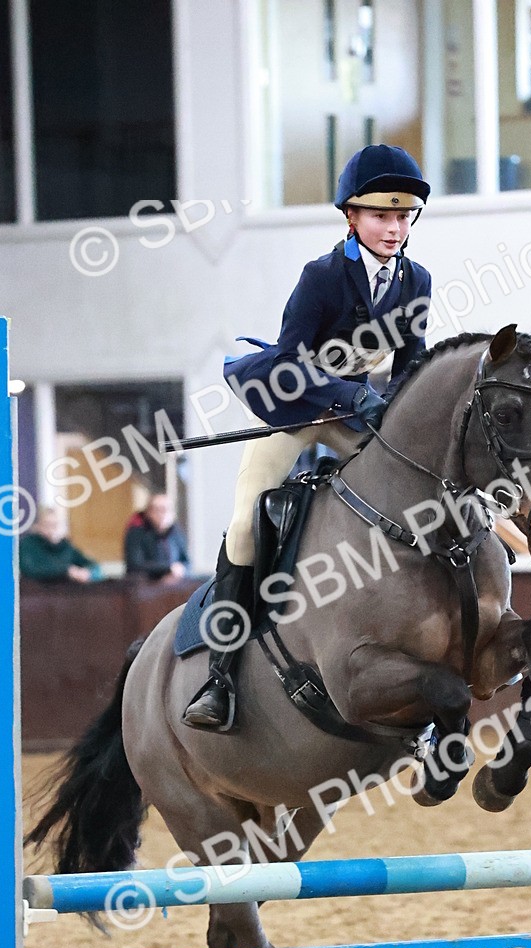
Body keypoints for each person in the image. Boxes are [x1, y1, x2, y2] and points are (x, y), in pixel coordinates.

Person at [183, 143, 432, 731]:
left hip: (355, 417)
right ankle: (220, 677)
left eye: (403, 217)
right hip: (295, 410)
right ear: (351, 216)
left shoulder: (416, 280)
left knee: (418, 492)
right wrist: (351, 395)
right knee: (246, 523)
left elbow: (411, 362)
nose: (394, 228)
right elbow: (291, 360)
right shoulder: (321, 276)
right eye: (381, 215)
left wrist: (398, 411)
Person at [19, 506, 102, 583]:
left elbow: (91, 564)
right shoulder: (27, 544)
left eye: (54, 525)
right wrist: (66, 571)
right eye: (47, 525)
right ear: (37, 526)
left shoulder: (64, 545)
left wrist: (86, 572)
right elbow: (30, 569)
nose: (51, 530)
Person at [124, 493, 189, 580]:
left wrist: (180, 570)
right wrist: (168, 569)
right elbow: (135, 565)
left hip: (175, 582)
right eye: (158, 510)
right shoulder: (136, 533)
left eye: (166, 509)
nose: (163, 514)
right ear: (149, 513)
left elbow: (186, 561)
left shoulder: (176, 532)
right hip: (146, 584)